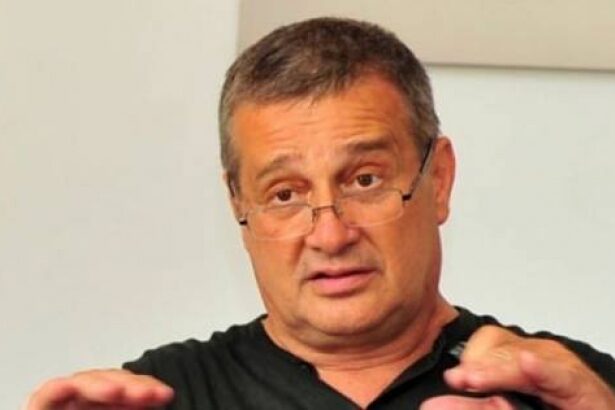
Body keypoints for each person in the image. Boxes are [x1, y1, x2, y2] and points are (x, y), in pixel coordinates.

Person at [27, 17, 615, 410]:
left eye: (364, 181)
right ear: (239, 204)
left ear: (438, 179)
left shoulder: (570, 390)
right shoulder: (163, 397)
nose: (330, 235)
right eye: (285, 194)